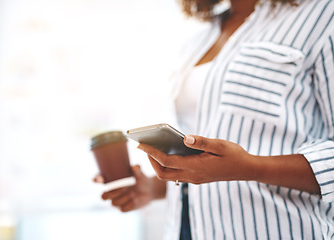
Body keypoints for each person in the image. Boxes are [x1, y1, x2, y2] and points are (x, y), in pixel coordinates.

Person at [95, 0, 334, 239]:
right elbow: (205, 164)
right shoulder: (200, 38)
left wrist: (251, 167)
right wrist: (151, 187)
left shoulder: (322, 15)